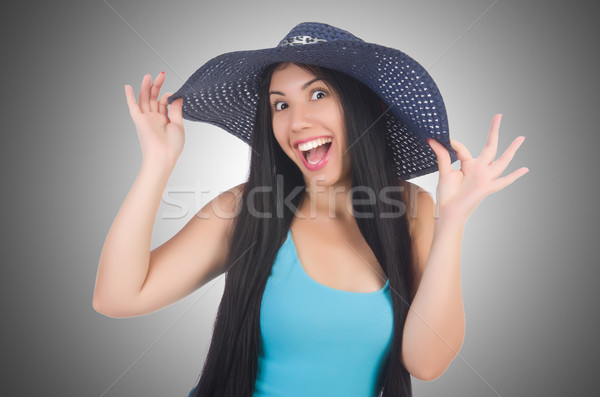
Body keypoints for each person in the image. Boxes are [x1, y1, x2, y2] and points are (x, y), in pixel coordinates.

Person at [93, 22, 528, 397]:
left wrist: (453, 222)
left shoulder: (412, 209)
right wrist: (157, 161)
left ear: (368, 106)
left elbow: (427, 363)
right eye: (280, 104)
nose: (296, 121)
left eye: (317, 94)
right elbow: (116, 298)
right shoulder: (247, 209)